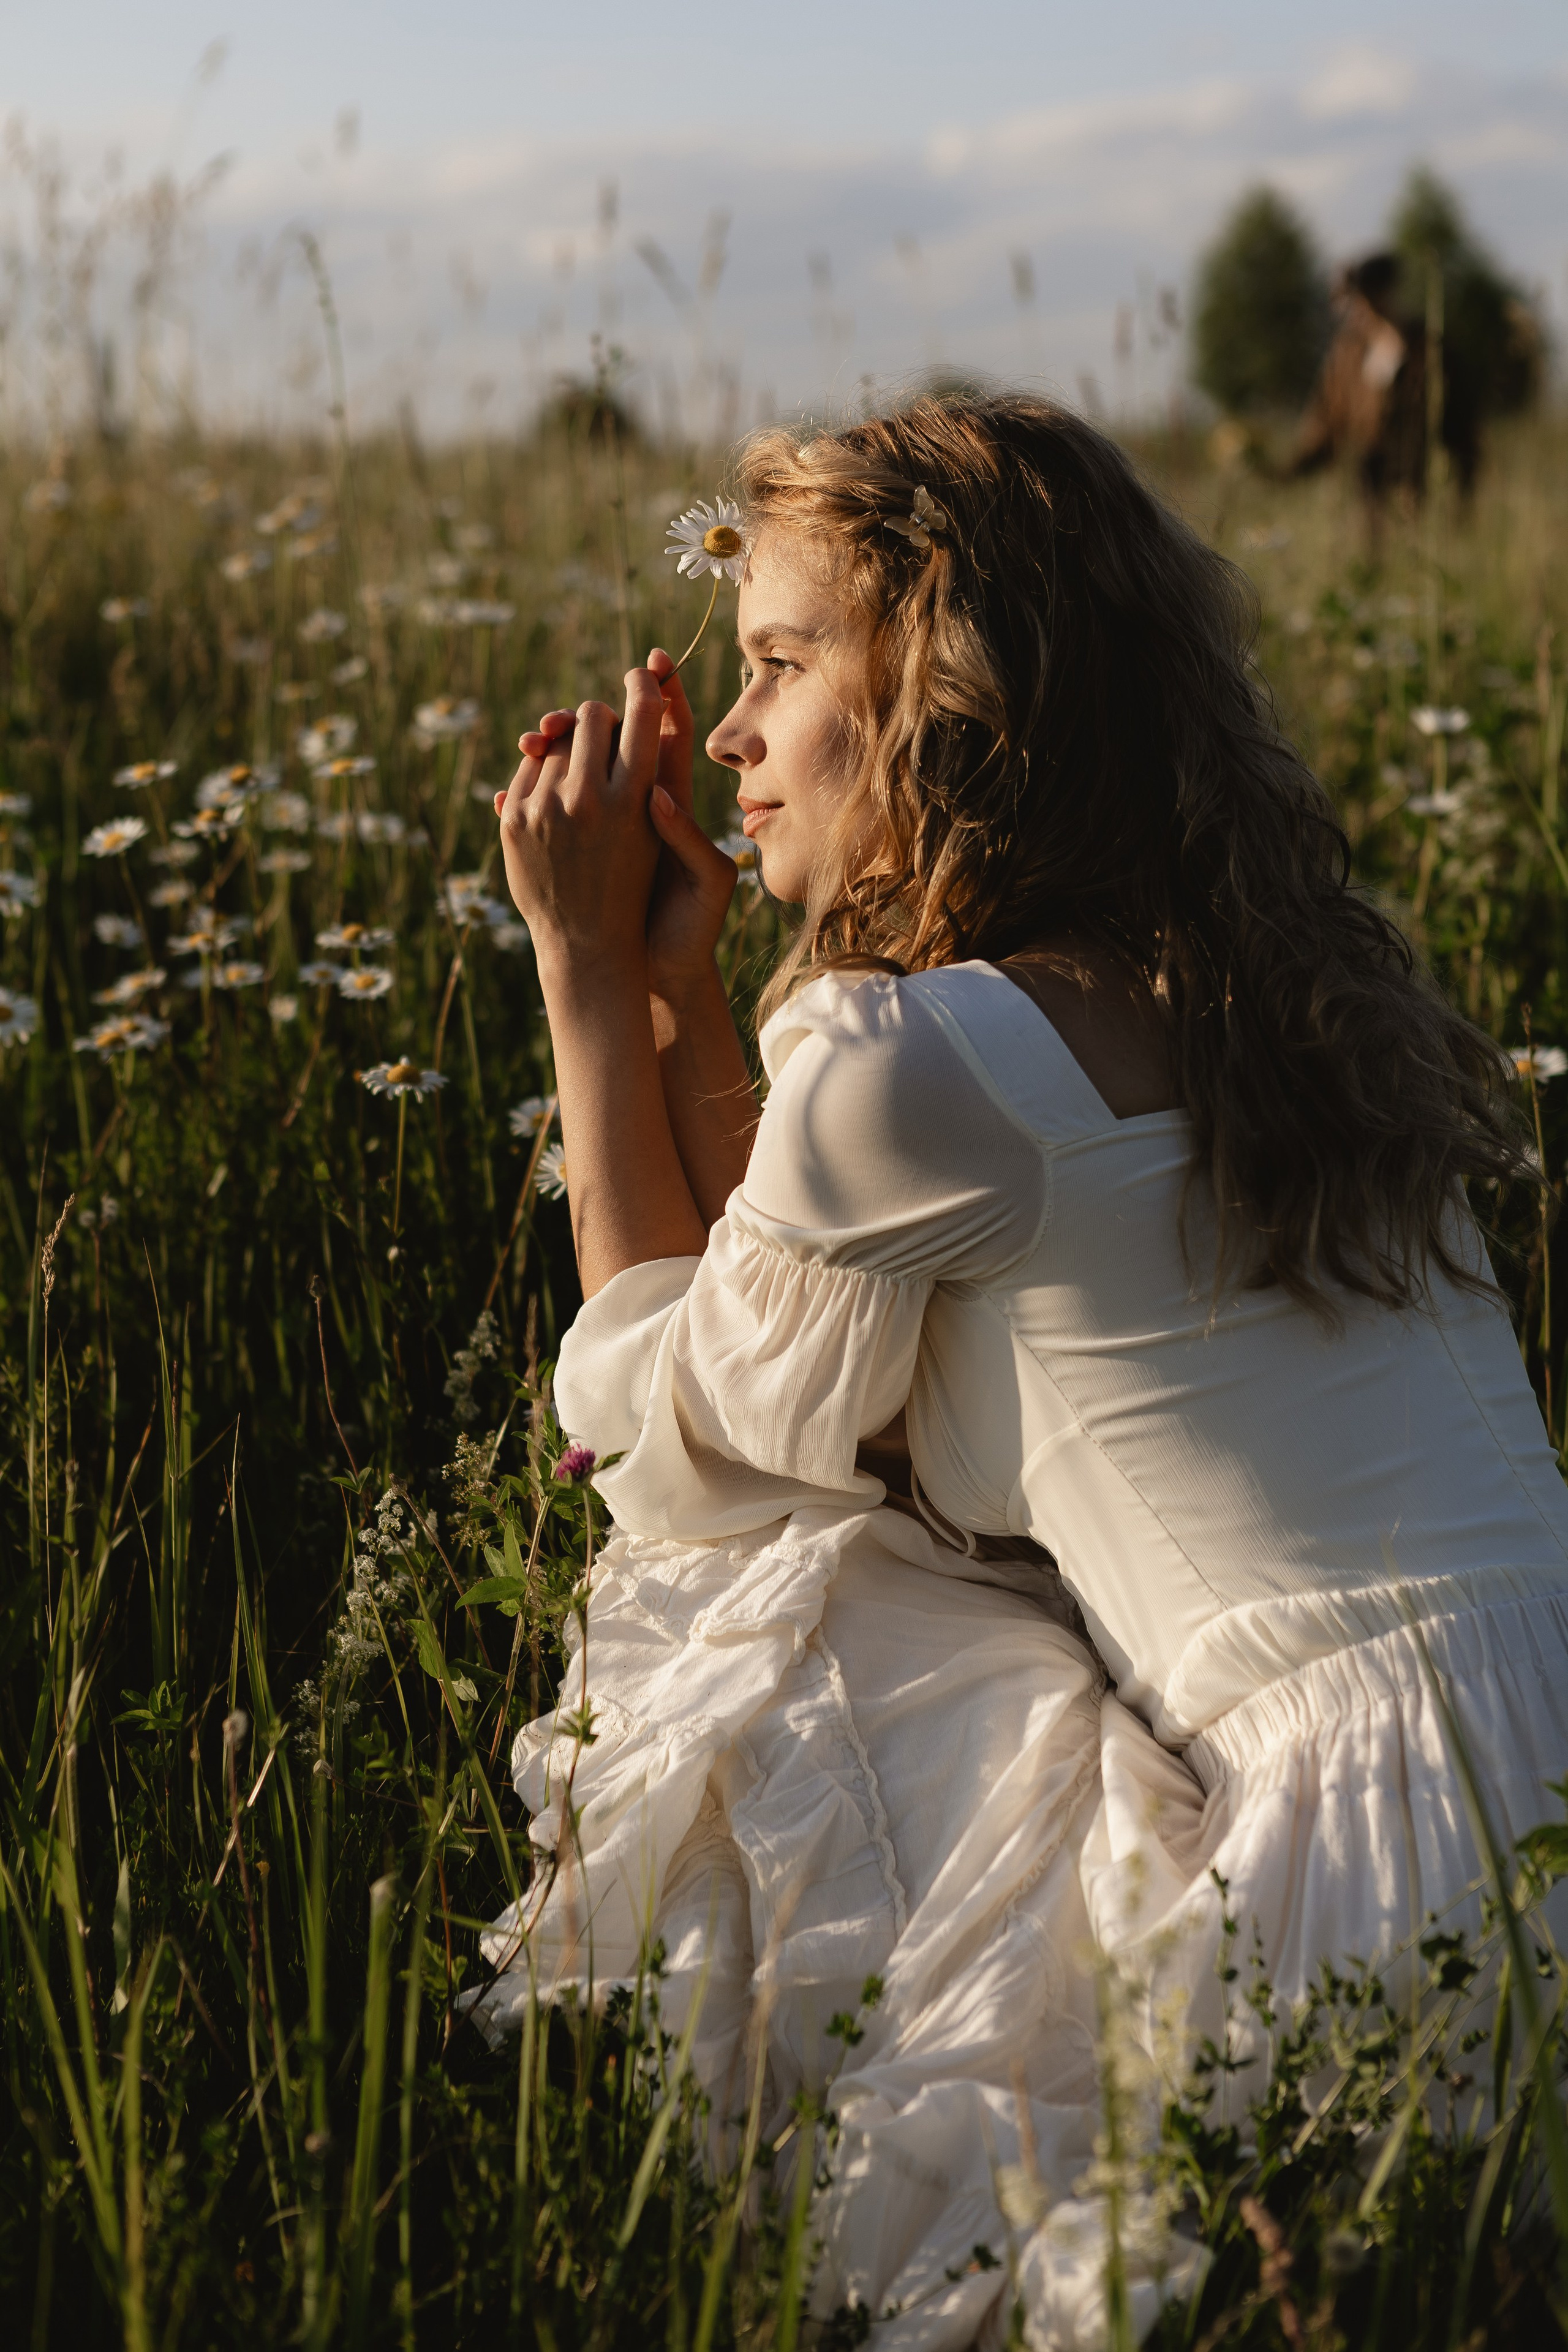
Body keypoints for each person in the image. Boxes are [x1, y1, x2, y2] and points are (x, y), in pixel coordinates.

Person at [475, 394, 1568, 2349]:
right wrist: (691, 995)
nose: (730, 737)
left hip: (1380, 1882)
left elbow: (670, 1445)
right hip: (1533, 1758)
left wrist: (589, 986)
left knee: (761, 1588)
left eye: (785, 665)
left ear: (947, 703)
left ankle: (718, 2173)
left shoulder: (919, 1069)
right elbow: (790, 1324)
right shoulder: (1279, 1003)